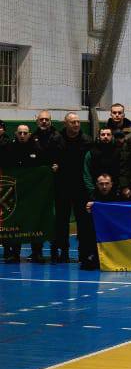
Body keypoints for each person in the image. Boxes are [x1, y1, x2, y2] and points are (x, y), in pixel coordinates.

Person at [48, 113, 92, 264]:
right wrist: (53, 165)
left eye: (78, 122)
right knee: (61, 220)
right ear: (65, 123)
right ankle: (63, 251)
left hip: (80, 187)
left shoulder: (87, 141)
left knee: (83, 221)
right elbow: (48, 158)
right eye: (73, 122)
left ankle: (83, 252)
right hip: (62, 186)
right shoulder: (56, 139)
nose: (76, 124)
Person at [3, 124, 48, 262]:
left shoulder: (37, 148)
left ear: (29, 134)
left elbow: (44, 166)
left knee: (36, 221)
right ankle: (14, 253)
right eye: (20, 133)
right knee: (15, 222)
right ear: (16, 134)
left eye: (25, 133)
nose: (22, 135)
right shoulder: (9, 148)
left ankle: (37, 252)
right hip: (15, 193)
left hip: (33, 193)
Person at [80, 173, 124, 270]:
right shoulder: (90, 197)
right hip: (96, 233)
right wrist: (88, 210)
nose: (104, 187)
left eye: (107, 183)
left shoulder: (118, 197)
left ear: (111, 184)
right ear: (97, 184)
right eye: (101, 184)